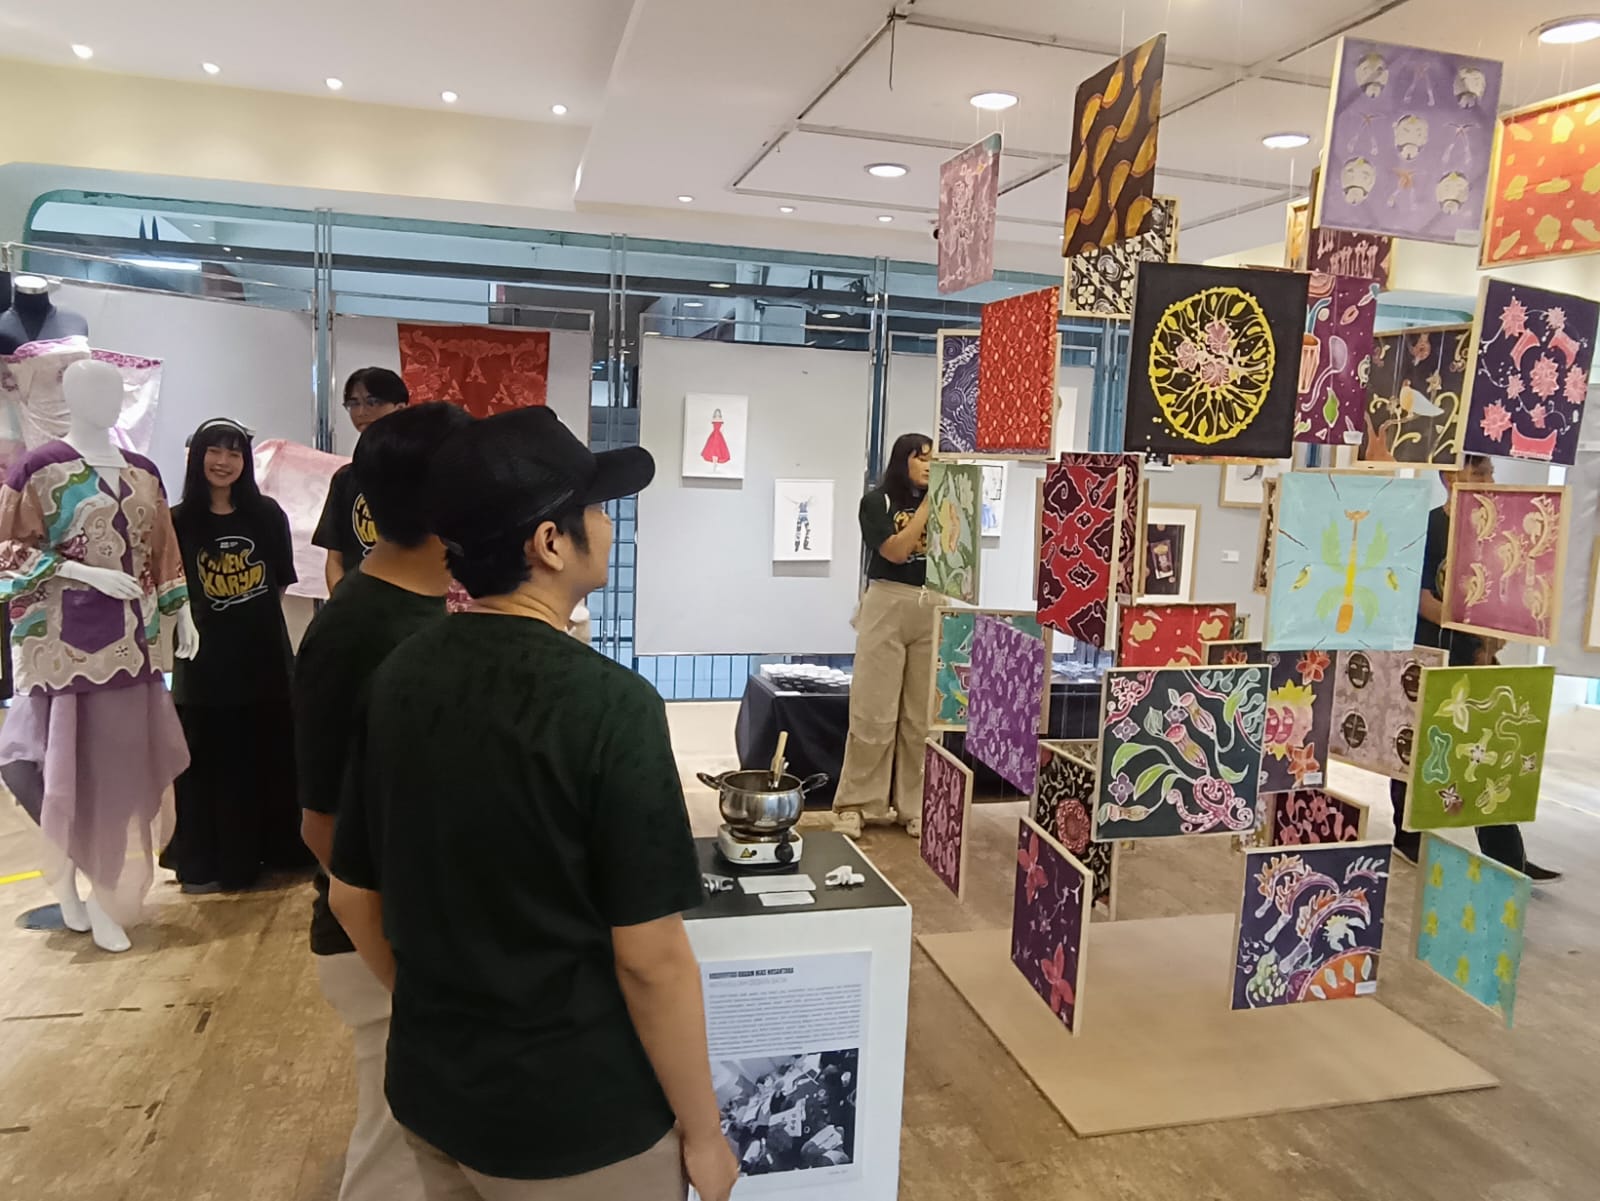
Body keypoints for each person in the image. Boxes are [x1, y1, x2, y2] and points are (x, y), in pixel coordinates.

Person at [327, 406, 738, 1201]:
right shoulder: (611, 705)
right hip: (577, 1122)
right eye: (595, 509)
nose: (607, 525)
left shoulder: (397, 677)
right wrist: (706, 1131)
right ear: (550, 542)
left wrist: (439, 1017)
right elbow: (650, 958)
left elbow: (351, 895)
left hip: (434, 1094)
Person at [295, 403, 473, 1201]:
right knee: (397, 1148)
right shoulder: (357, 629)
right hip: (381, 937)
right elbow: (321, 823)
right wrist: (397, 952)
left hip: (425, 927)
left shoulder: (433, 604)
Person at [1390, 453, 1561, 881]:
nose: (1490, 479)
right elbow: (1419, 598)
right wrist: (1473, 620)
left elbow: (1508, 590)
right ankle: (1407, 837)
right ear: (1449, 475)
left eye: (1490, 471)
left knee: (1489, 751)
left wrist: (1495, 633)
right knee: (1418, 747)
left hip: (1477, 653)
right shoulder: (1427, 527)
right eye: (1480, 471)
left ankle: (1506, 855)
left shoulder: (1495, 531)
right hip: (1430, 651)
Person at [169, 418, 308, 892]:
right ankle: (208, 861)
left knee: (267, 756)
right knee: (206, 763)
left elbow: (280, 582)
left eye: (234, 453)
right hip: (203, 666)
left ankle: (276, 852)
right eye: (215, 451)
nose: (224, 462)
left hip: (262, 659)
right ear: (197, 458)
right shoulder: (178, 520)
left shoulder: (267, 515)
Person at [832, 432, 934, 841]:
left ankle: (917, 805)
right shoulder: (877, 502)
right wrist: (928, 507)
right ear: (902, 460)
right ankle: (857, 803)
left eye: (934, 459)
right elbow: (895, 551)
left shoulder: (949, 505)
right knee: (873, 709)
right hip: (887, 601)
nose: (929, 466)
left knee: (922, 718)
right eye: (921, 458)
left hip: (933, 603)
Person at [315, 367, 409, 594]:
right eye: (353, 403)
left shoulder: (423, 472)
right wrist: (341, 604)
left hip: (412, 601)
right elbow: (335, 558)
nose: (361, 412)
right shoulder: (346, 478)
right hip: (355, 599)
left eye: (372, 402)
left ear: (400, 408)